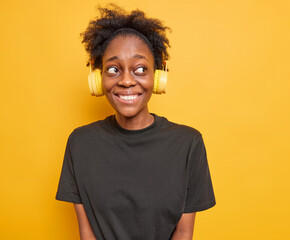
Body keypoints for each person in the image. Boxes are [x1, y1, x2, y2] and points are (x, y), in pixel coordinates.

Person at [55, 4, 216, 240]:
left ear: (158, 76)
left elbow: (183, 233)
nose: (127, 81)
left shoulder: (188, 144)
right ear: (98, 79)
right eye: (113, 69)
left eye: (140, 69)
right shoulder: (80, 143)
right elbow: (86, 233)